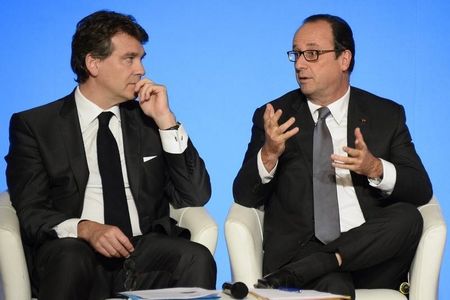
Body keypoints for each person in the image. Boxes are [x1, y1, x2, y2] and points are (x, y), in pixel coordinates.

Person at [6, 10, 216, 300]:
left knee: (195, 256)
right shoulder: (36, 126)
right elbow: (31, 211)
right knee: (71, 256)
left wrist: (167, 120)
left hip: (140, 249)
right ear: (93, 63)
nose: (141, 69)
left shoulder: (149, 121)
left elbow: (195, 194)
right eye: (129, 59)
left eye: (142, 59)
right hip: (74, 250)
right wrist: (86, 229)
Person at [233, 14, 432, 299]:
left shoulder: (386, 115)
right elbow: (244, 196)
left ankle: (326, 260)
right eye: (297, 54)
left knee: (408, 217)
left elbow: (420, 189)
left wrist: (375, 167)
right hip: (300, 255)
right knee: (335, 286)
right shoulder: (275, 115)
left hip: (370, 257)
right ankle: (323, 263)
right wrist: (269, 154)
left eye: (312, 54)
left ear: (344, 59)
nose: (300, 64)